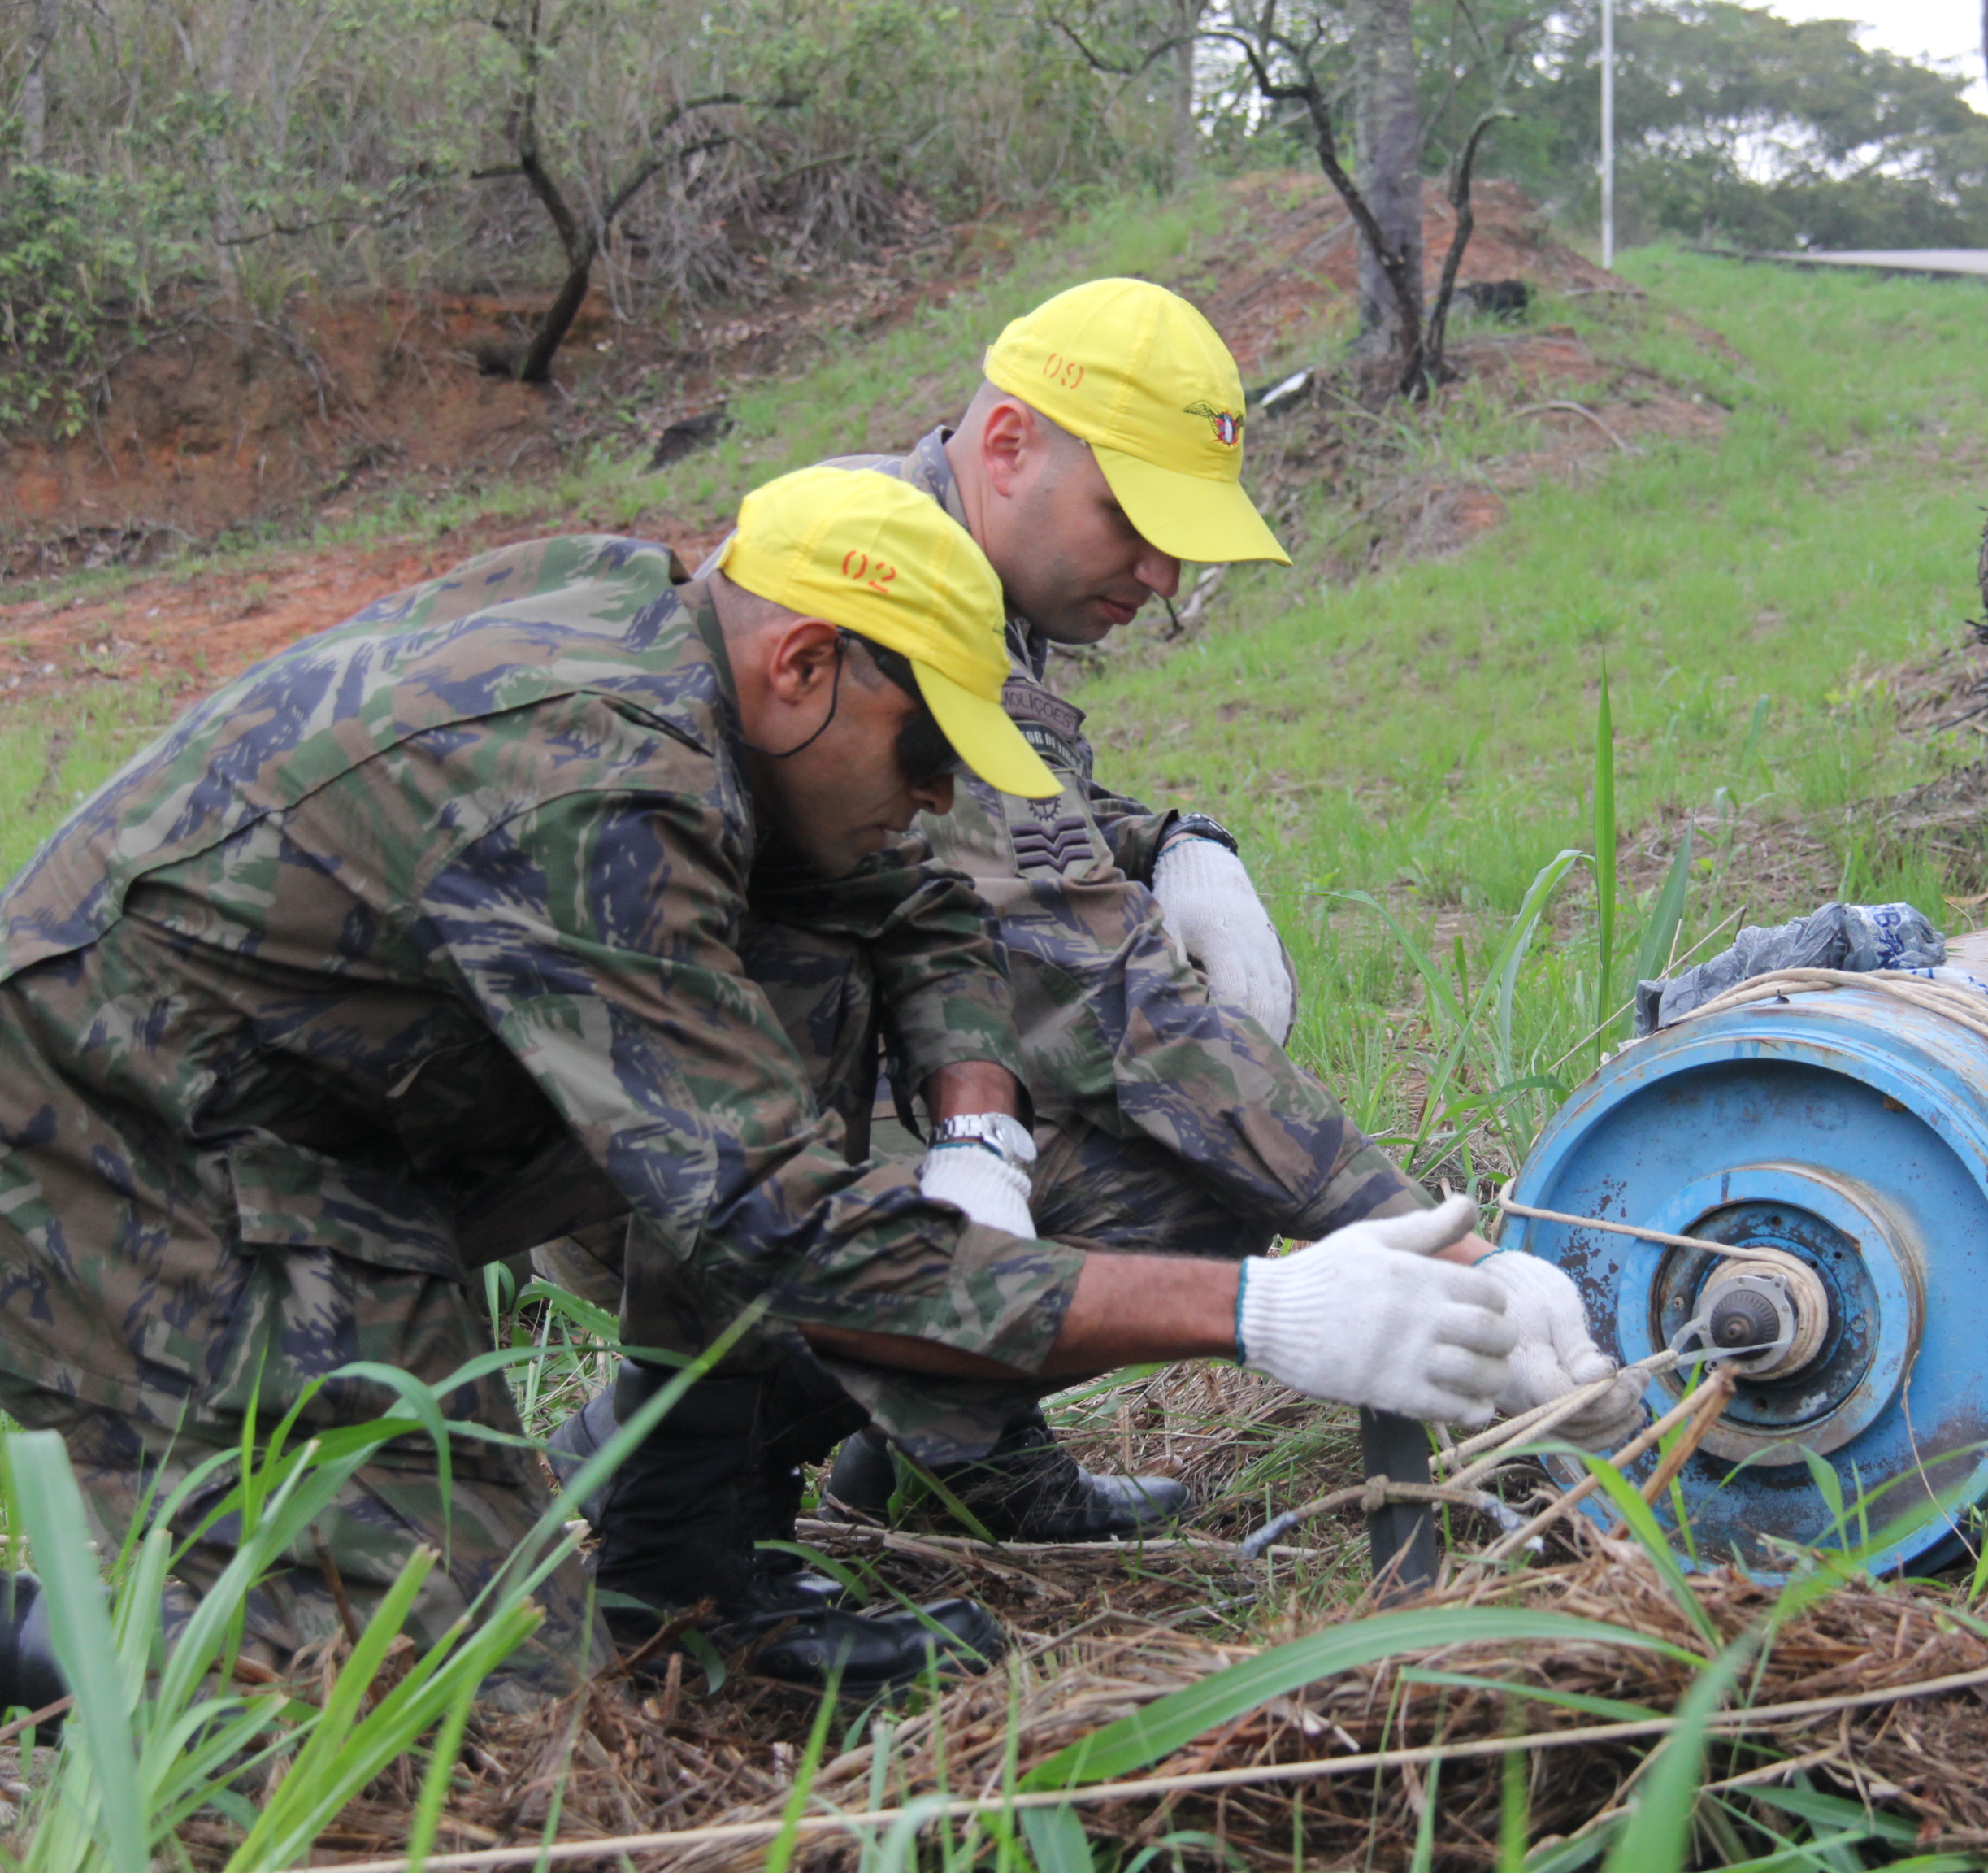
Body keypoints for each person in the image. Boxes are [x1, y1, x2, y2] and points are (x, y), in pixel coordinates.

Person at [0, 467, 1528, 1713]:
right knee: (456, 1706)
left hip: (341, 1133)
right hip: (124, 1149)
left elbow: (920, 906)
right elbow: (783, 1236)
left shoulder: (685, 637)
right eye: (927, 751)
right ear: (806, 662)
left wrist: (980, 1134)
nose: (938, 800)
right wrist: (1268, 1315)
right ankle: (67, 1635)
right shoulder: (599, 787)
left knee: (813, 941)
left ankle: (681, 1560)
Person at [546, 280, 1643, 1569]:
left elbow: (1012, 827)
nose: (1166, 574)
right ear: (1010, 445)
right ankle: (662, 1448)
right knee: (1178, 1182)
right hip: (671, 1148)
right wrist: (1431, 1239)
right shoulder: (883, 595)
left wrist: (1174, 842)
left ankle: (951, 1456)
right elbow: (1111, 1005)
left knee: (1089, 1136)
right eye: (1135, 519)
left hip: (753, 1087)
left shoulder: (959, 560)